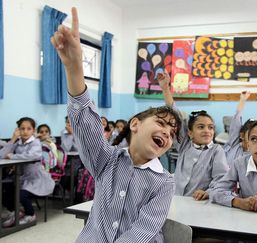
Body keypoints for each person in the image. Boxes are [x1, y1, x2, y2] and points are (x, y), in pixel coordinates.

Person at [51, 7, 182, 242]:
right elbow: (86, 126)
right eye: (161, 123)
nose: (167, 132)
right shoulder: (107, 160)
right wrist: (74, 69)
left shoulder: (164, 182)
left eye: (172, 133)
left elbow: (143, 231)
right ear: (135, 125)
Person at [159, 73, 229, 200]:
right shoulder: (185, 145)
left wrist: (208, 192)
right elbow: (175, 115)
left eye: (210, 127)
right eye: (201, 127)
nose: (207, 131)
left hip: (198, 203)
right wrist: (165, 89)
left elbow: (221, 178)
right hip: (176, 198)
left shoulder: (216, 151)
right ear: (190, 133)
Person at [0, 117, 54, 227]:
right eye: (22, 128)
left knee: (22, 195)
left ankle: (30, 214)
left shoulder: (35, 142)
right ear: (18, 130)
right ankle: (17, 211)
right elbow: (2, 155)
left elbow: (33, 155)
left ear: (33, 130)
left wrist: (13, 156)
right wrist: (13, 138)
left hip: (36, 178)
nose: (25, 131)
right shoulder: (18, 142)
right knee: (4, 190)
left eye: (28, 129)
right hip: (21, 178)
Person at [210, 118, 257, 212]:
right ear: (248, 144)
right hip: (245, 221)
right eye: (253, 139)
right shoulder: (239, 164)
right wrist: (239, 202)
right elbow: (216, 191)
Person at [223, 91, 255, 166]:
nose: (253, 141)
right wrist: (242, 100)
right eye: (252, 136)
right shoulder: (233, 145)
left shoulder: (256, 155)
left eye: (255, 139)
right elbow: (236, 120)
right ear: (242, 135)